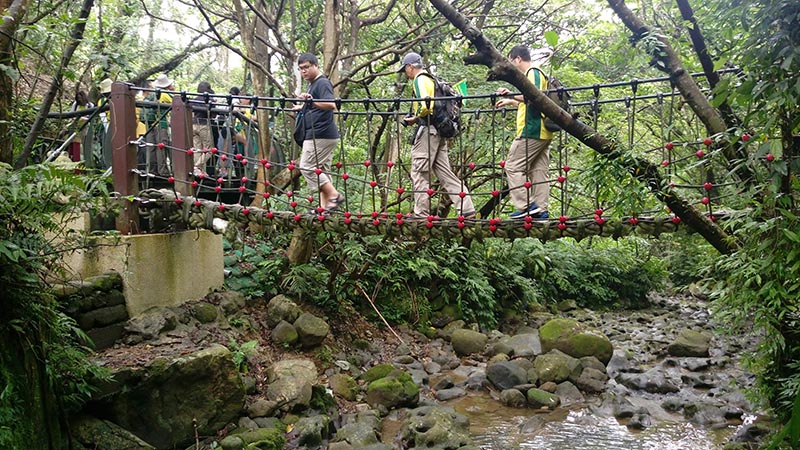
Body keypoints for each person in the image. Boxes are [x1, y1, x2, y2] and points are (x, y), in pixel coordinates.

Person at [398, 52, 475, 219]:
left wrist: (416, 118)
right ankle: (467, 209)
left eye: (405, 69)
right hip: (439, 131)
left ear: (410, 67)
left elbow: (427, 105)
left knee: (419, 172)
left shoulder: (419, 79)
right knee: (445, 173)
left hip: (428, 131)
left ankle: (421, 214)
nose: (405, 73)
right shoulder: (432, 79)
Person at [494, 45, 553, 220]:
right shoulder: (537, 73)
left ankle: (526, 205)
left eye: (511, 61)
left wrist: (511, 94)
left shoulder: (533, 72)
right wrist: (510, 101)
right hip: (542, 131)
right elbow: (531, 101)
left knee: (512, 166)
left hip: (532, 129)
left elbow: (533, 96)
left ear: (518, 59)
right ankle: (541, 210)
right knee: (538, 171)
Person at [292, 53, 344, 212]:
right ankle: (324, 208)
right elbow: (315, 105)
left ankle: (334, 196)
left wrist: (311, 102)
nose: (303, 71)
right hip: (323, 134)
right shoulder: (312, 84)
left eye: (306, 67)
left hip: (320, 134)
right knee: (322, 171)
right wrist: (303, 106)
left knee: (307, 167)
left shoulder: (322, 83)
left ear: (316, 65)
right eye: (301, 69)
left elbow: (331, 104)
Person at [146, 73, 174, 176]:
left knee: (153, 147)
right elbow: (178, 103)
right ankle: (164, 171)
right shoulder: (165, 94)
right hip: (162, 123)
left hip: (152, 124)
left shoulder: (152, 94)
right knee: (162, 147)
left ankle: (153, 170)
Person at [192, 81, 216, 175]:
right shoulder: (209, 100)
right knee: (209, 149)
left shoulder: (194, 100)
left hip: (193, 124)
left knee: (197, 149)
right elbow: (214, 114)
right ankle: (197, 167)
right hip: (204, 125)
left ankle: (200, 171)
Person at [68, 90, 93, 162]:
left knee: (84, 145)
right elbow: (71, 114)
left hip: (85, 128)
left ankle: (85, 161)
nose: (79, 99)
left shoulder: (90, 105)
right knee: (75, 143)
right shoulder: (75, 105)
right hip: (76, 127)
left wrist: (83, 119)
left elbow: (91, 117)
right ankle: (74, 160)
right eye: (78, 98)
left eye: (80, 98)